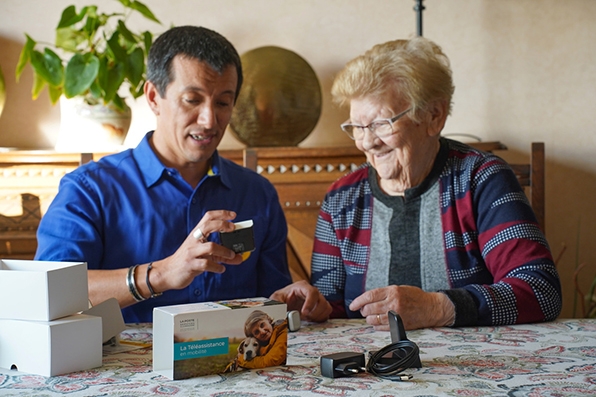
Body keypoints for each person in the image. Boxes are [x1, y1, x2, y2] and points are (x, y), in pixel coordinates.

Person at [275, 37, 562, 331]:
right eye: (357, 127)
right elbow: (336, 309)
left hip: (473, 364)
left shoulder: (481, 180)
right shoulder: (341, 199)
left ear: (433, 116)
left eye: (380, 123)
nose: (367, 142)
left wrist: (439, 308)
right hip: (372, 371)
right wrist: (313, 305)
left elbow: (540, 290)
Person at [34, 26, 294, 323]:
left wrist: (294, 299)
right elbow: (48, 294)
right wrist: (161, 275)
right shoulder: (89, 190)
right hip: (122, 365)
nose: (210, 120)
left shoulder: (257, 192)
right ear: (154, 97)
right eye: (193, 100)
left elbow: (273, 297)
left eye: (222, 102)